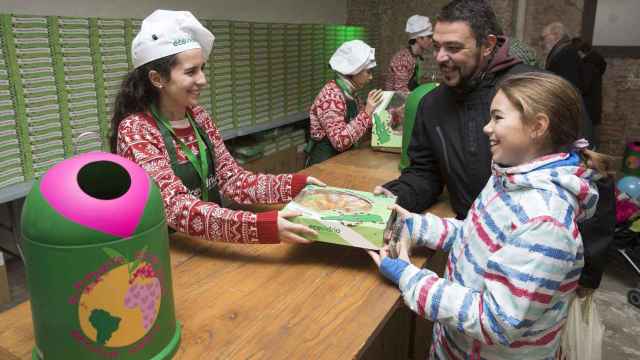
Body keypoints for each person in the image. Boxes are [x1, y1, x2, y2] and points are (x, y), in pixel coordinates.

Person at [375, 0, 614, 298]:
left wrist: (589, 271)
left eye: (453, 48)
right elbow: (425, 172)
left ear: (487, 45)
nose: (440, 57)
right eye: (436, 46)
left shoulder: (537, 93)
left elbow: (591, 176)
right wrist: (394, 196)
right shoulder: (432, 106)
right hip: (472, 242)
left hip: (537, 259)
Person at [370, 72, 612, 359]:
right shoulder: (508, 178)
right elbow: (475, 235)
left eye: (497, 118)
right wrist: (415, 224)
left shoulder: (545, 223)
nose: (487, 128)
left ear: (537, 126)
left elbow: (496, 322)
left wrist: (408, 276)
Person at [111, 10, 323, 244]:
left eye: (203, 68)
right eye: (191, 71)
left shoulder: (199, 117)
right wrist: (262, 226)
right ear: (157, 79)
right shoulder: (136, 130)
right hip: (169, 250)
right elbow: (175, 208)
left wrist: (297, 186)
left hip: (209, 242)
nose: (203, 80)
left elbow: (232, 179)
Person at [306, 40, 383, 166]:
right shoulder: (331, 97)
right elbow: (340, 141)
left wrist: (393, 114)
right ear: (354, 71)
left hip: (342, 160)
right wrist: (367, 111)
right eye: (368, 72)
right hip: (324, 164)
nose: (371, 77)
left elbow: (363, 124)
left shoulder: (350, 93)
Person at [385, 15, 433, 95]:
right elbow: (401, 91)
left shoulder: (414, 56)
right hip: (396, 104)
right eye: (429, 37)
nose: (431, 40)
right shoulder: (403, 59)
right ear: (419, 39)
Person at [572, 37, 607, 148]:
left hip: (588, 105)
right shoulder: (596, 62)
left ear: (579, 52)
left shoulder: (588, 65)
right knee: (593, 136)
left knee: (588, 139)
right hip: (594, 105)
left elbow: (584, 87)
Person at [542, 22, 581, 88]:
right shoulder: (562, 50)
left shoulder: (567, 52)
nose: (544, 41)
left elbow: (568, 81)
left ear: (556, 35)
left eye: (545, 37)